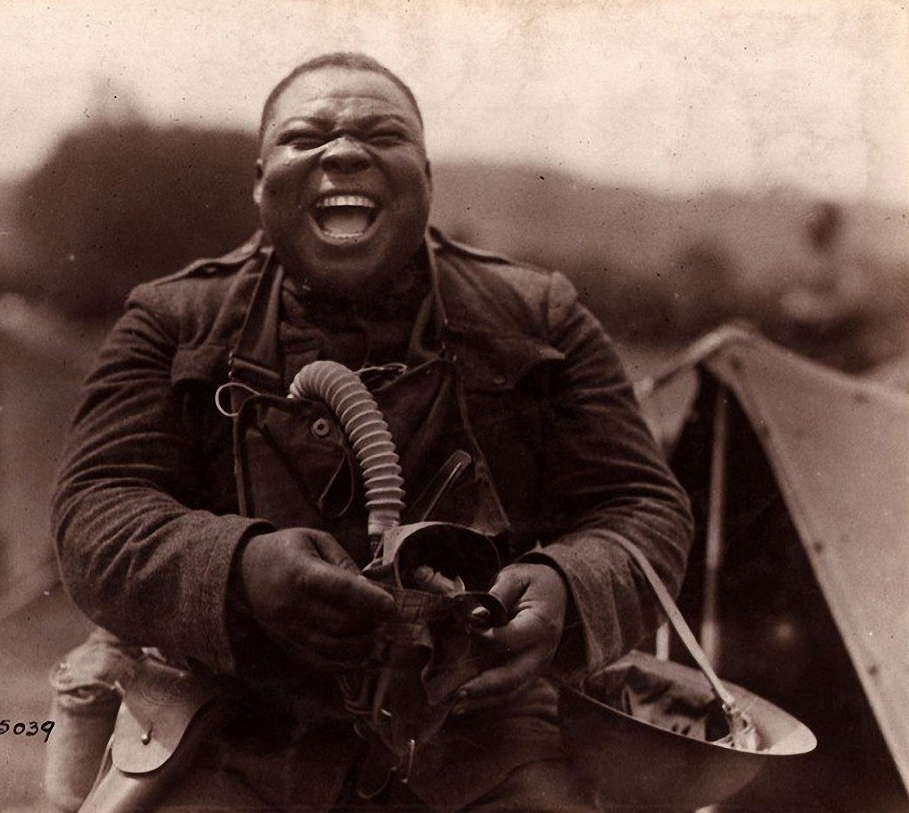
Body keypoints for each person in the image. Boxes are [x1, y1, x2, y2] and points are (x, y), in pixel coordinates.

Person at [51, 52, 693, 812]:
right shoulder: (173, 319)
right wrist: (240, 569)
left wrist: (564, 589)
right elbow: (94, 510)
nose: (345, 151)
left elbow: (644, 508)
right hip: (232, 730)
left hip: (481, 740)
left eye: (381, 134)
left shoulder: (540, 317)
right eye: (305, 136)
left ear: (426, 178)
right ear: (260, 183)